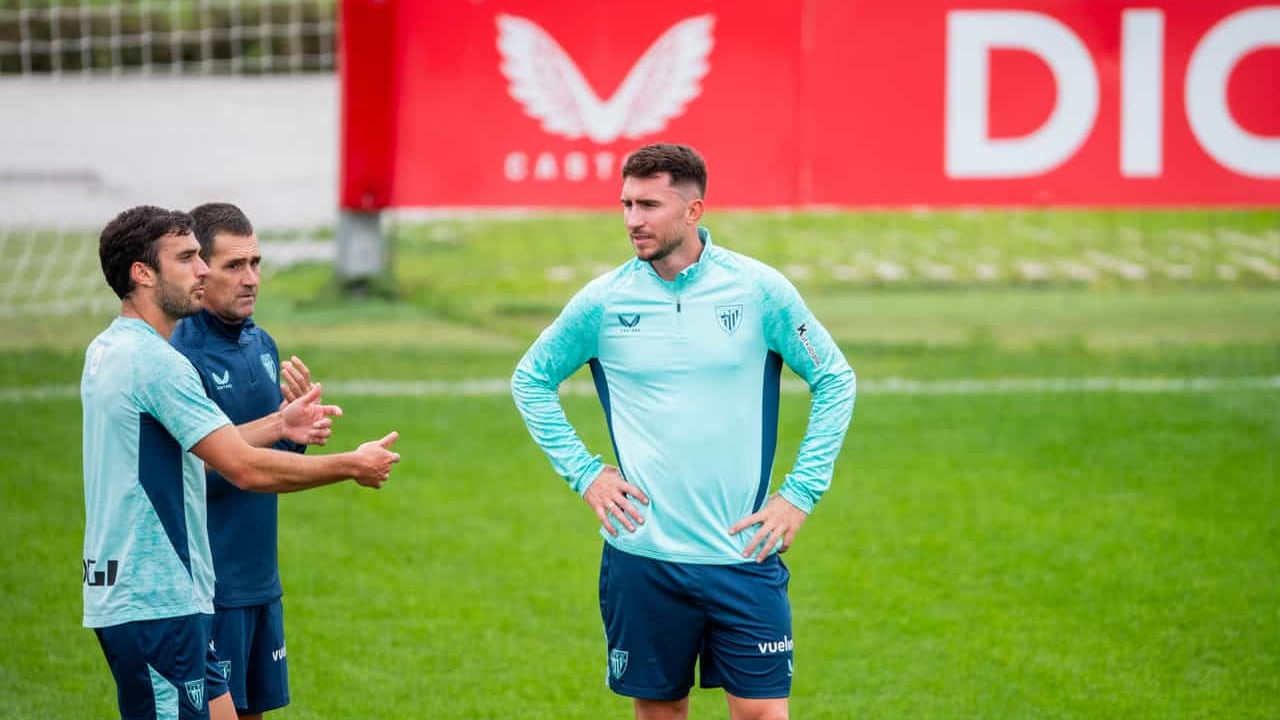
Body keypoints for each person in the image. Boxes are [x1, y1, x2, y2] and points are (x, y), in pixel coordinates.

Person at [511, 143, 856, 720]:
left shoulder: (758, 290)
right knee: (661, 712)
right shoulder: (603, 302)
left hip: (743, 553)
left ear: (694, 211)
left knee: (762, 713)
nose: (633, 220)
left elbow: (835, 379)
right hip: (644, 556)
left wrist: (799, 494)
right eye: (626, 204)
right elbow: (530, 379)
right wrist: (586, 474)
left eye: (649, 205)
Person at [82, 205, 401, 720]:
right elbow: (242, 467)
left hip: (163, 594)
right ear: (143, 273)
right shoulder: (161, 364)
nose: (202, 271)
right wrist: (351, 465)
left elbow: (198, 448)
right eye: (187, 259)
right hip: (156, 596)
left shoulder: (108, 349)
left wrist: (280, 426)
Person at [169, 203, 314, 719]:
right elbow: (190, 472)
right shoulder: (180, 359)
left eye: (255, 263)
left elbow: (265, 465)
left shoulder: (263, 345)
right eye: (234, 265)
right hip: (211, 587)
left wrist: (296, 435)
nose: (250, 278)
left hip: (261, 582)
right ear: (200, 271)